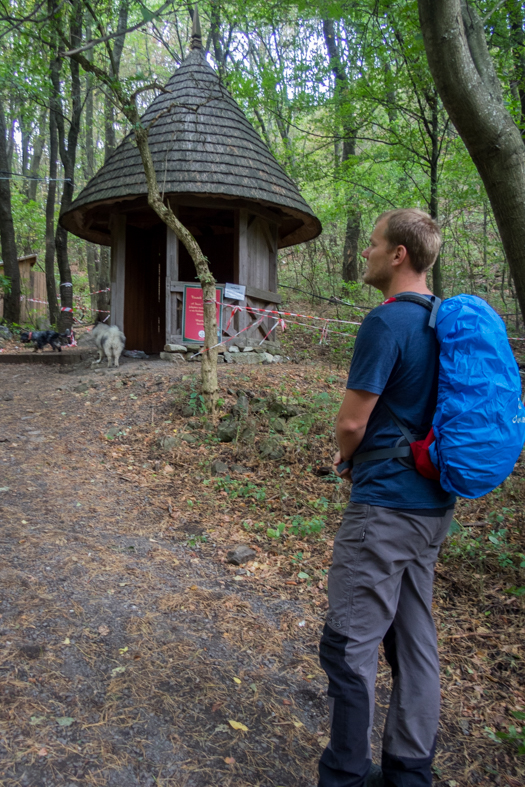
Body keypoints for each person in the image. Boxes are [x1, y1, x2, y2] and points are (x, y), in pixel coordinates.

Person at [318, 209, 456, 787]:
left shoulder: (388, 323)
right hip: (433, 507)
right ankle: (409, 771)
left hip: (385, 509)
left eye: (373, 245)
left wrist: (346, 460)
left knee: (348, 641)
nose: (366, 253)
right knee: (414, 639)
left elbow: (352, 422)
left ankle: (344, 775)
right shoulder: (445, 324)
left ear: (399, 254)